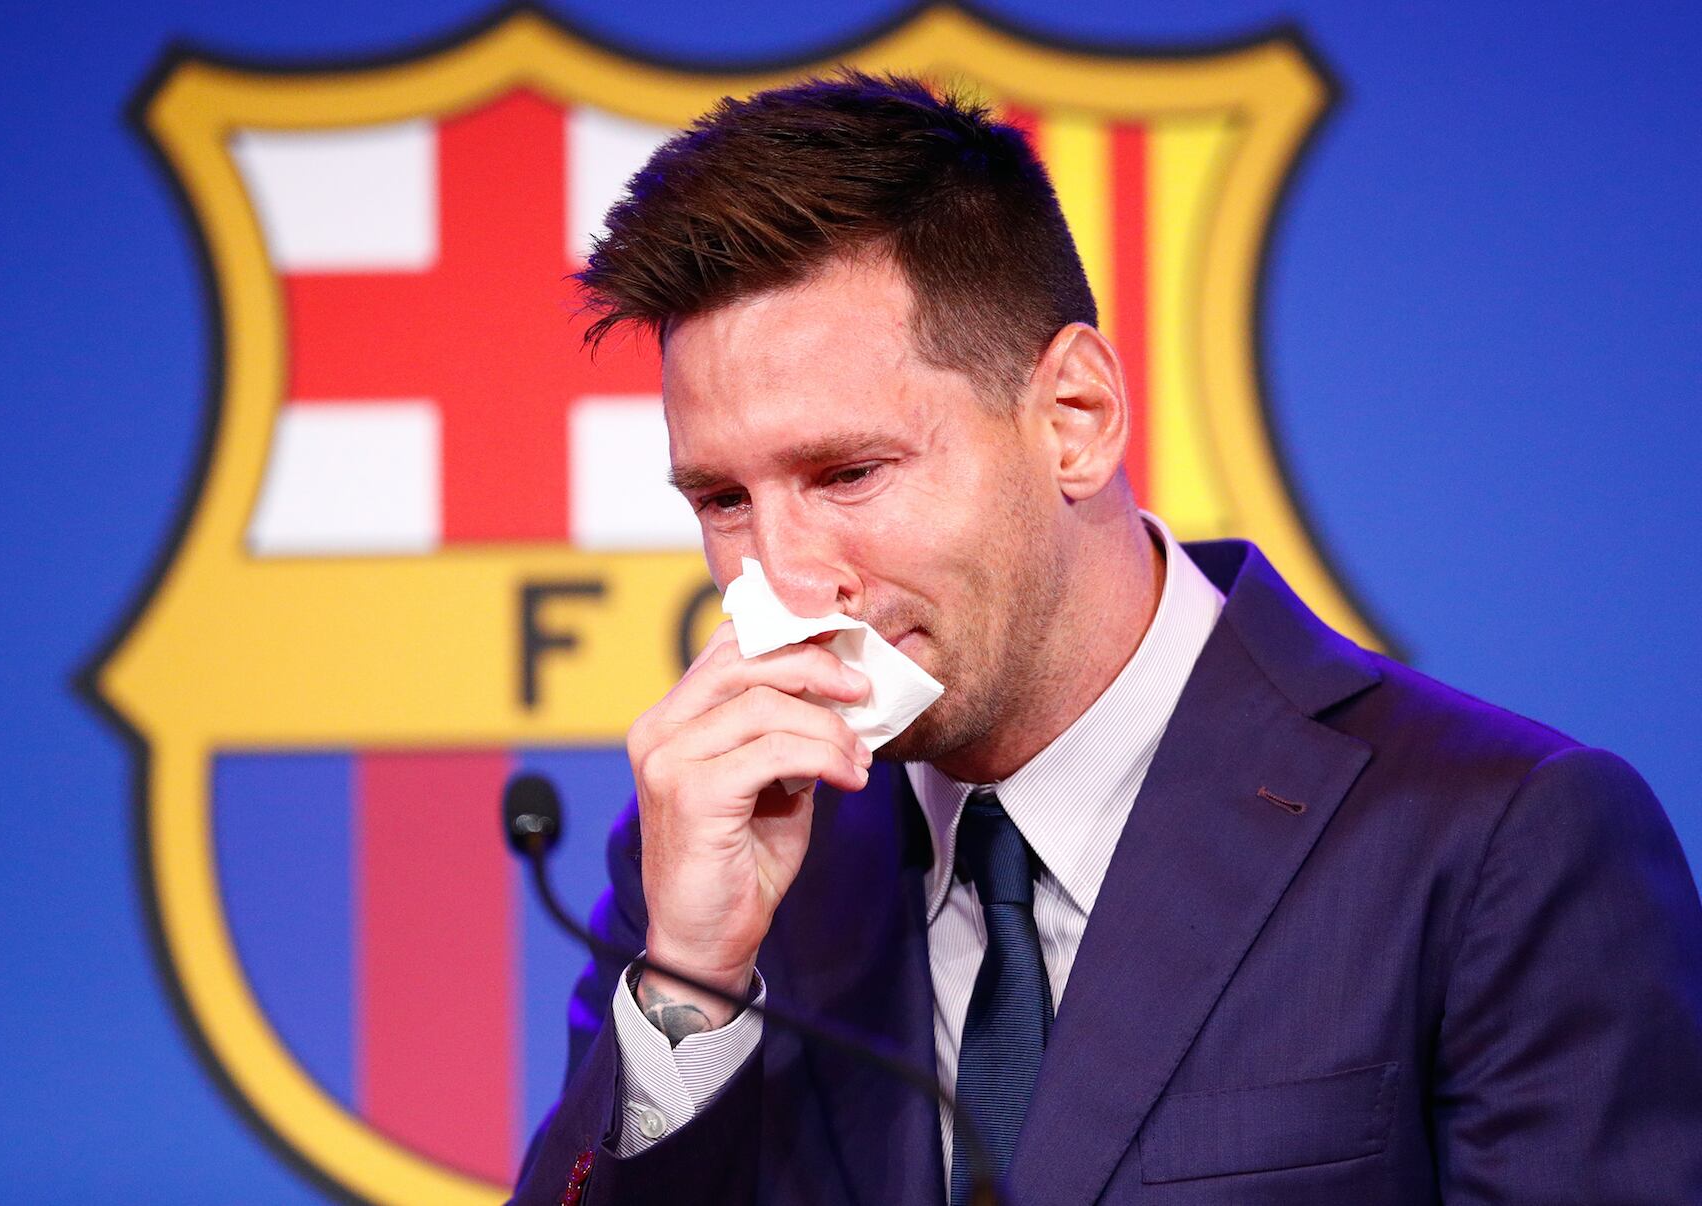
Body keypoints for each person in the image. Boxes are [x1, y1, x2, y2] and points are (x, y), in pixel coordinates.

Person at [512, 71, 1702, 1205]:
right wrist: (693, 985)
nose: (779, 580)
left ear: (1075, 417)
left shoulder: (1496, 841)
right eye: (723, 500)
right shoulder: (717, 864)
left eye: (849, 472)